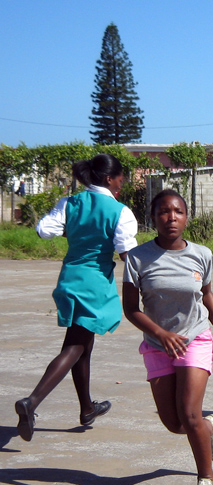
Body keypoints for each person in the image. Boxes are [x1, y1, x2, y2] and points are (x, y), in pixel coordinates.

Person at [15, 154, 137, 442]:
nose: (122, 183)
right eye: (121, 178)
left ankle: (86, 408)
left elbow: (44, 230)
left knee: (82, 344)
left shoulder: (70, 203)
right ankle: (31, 402)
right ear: (110, 178)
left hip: (69, 279)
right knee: (74, 347)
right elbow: (127, 253)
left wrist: (72, 226)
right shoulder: (120, 211)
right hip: (95, 284)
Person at [122, 190, 213, 485]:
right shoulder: (137, 258)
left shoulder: (202, 254)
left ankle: (206, 476)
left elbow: (207, 294)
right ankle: (208, 427)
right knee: (174, 423)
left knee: (188, 412)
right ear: (153, 216)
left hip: (195, 337)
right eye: (163, 212)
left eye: (178, 212)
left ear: (187, 217)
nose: (171, 218)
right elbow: (131, 309)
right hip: (158, 344)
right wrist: (161, 335)